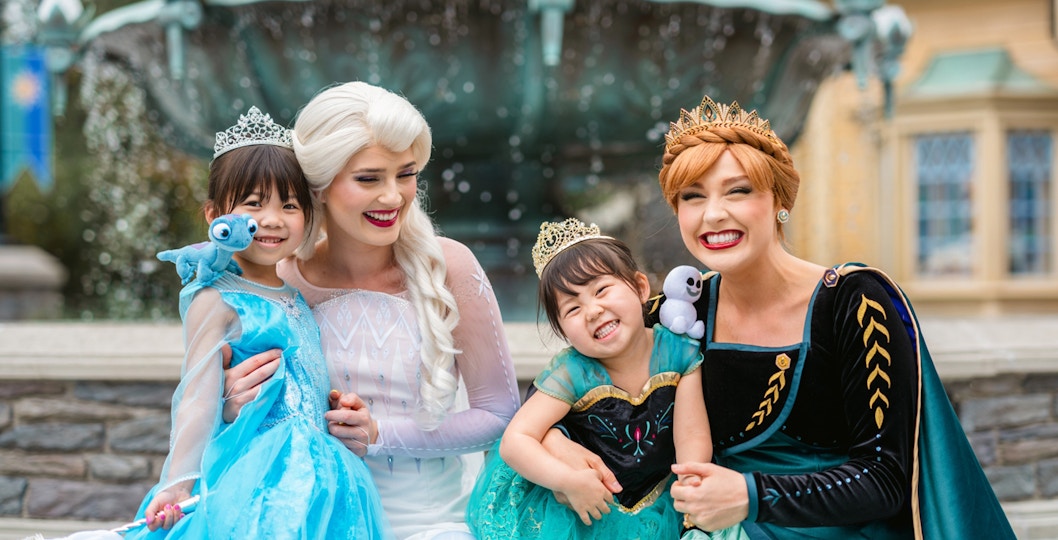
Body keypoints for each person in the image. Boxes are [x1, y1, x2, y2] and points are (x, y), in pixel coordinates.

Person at [547, 95, 1016, 539]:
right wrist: (558, 448)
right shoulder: (676, 312)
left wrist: (750, 496)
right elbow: (564, 396)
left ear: (779, 202)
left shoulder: (856, 303)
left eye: (738, 191)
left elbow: (885, 478)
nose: (713, 214)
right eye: (693, 196)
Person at [220, 82, 521, 540]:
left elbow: (499, 414)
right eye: (369, 178)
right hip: (313, 520)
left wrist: (380, 434)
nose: (394, 196)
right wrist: (231, 405)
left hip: (431, 525)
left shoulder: (449, 266)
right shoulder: (278, 281)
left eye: (406, 173)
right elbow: (249, 423)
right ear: (319, 186)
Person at [127, 106, 390, 539]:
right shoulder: (216, 298)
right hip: (263, 475)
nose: (272, 219)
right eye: (253, 204)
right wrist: (177, 483)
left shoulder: (293, 293)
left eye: (289, 205)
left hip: (324, 470)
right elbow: (197, 396)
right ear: (214, 215)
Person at [466, 217, 712, 539]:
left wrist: (691, 488)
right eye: (572, 309)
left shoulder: (679, 352)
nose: (593, 310)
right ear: (563, 331)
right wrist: (567, 481)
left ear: (640, 287)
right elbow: (516, 441)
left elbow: (692, 435)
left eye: (601, 290)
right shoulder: (573, 371)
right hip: (584, 506)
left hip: (660, 497)